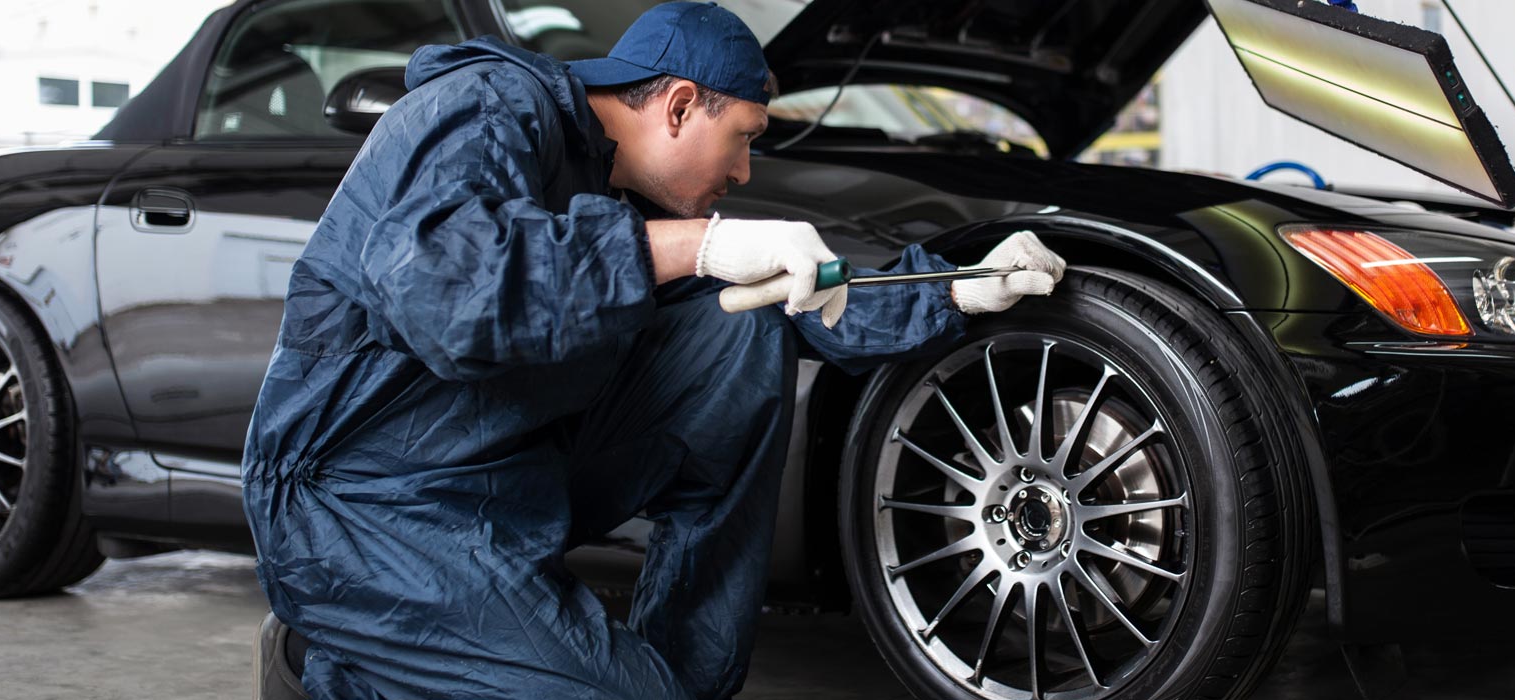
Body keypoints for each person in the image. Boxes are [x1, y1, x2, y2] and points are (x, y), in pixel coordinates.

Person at [241, 2, 1065, 698]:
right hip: (356, 505)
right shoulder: (487, 106)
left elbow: (808, 303)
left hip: (499, 467)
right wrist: (692, 246)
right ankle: (332, 658)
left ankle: (677, 678)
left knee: (742, 321)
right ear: (676, 107)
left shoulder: (613, 180)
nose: (744, 171)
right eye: (742, 138)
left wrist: (958, 287)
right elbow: (446, 291)